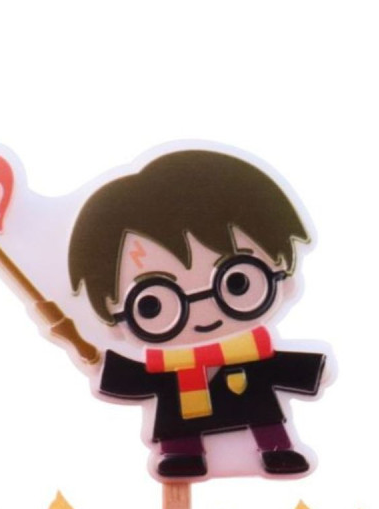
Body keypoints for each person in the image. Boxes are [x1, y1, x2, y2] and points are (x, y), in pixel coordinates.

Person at [68, 150, 328, 479]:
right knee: (179, 427)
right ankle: (182, 454)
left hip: (251, 398)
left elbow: (281, 368)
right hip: (180, 418)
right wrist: (94, 359)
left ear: (281, 273)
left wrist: (311, 370)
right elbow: (134, 379)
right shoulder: (164, 365)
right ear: (114, 309)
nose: (202, 314)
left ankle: (276, 449)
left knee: (262, 413)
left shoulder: (252, 352)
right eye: (152, 304)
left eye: (237, 282)